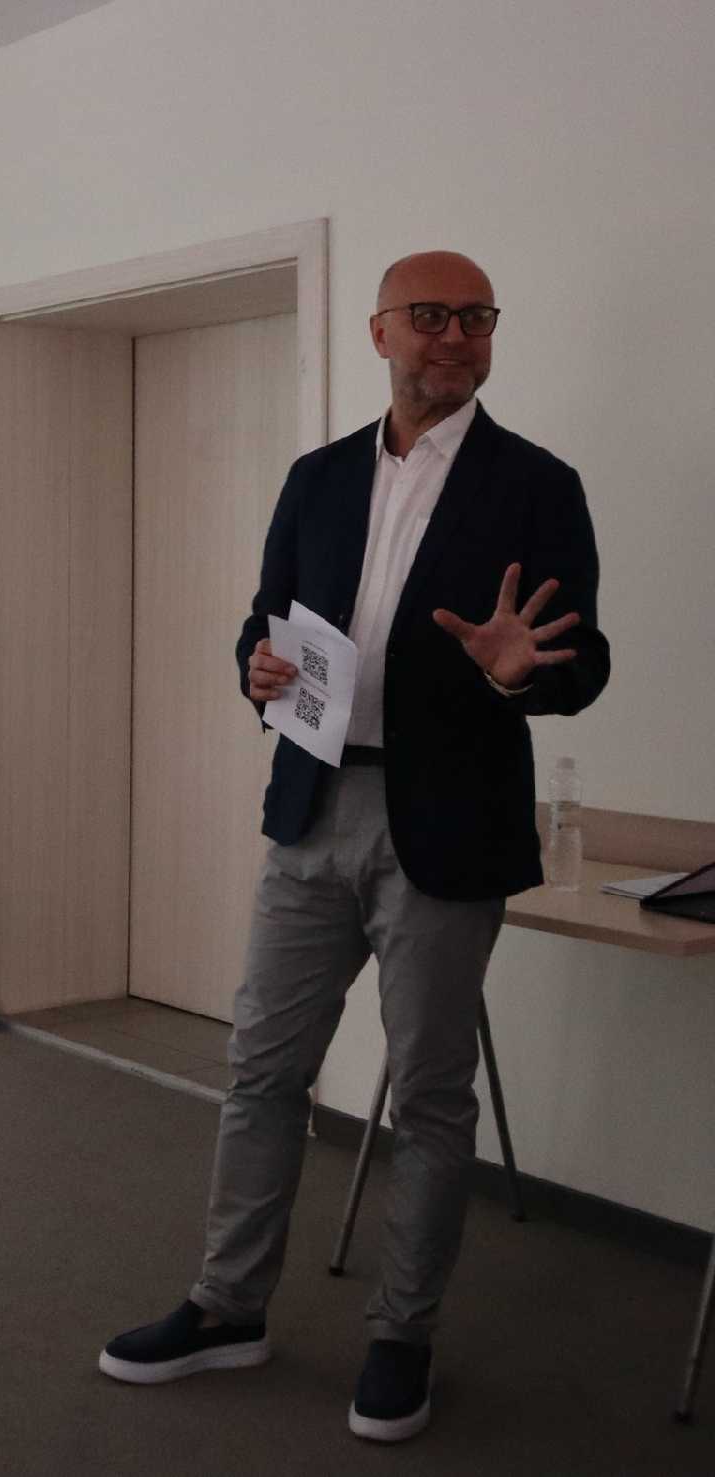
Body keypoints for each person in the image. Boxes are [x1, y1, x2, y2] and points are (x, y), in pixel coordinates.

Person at [98, 252, 610, 1442]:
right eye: (430, 316)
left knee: (428, 1095)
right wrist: (255, 667)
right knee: (262, 1070)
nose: (455, 335)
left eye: (476, 317)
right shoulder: (318, 477)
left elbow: (580, 660)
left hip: (450, 825)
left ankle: (401, 1335)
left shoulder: (537, 485)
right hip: (314, 807)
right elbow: (266, 622)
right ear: (381, 332)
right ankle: (228, 1306)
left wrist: (522, 673)